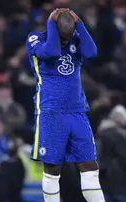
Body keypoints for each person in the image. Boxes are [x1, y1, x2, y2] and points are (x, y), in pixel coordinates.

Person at [25, 8, 104, 202]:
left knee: (90, 168)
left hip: (77, 110)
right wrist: (53, 23)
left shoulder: (76, 38)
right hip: (51, 111)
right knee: (52, 169)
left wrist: (80, 24)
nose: (66, 43)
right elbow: (51, 51)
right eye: (64, 38)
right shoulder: (36, 39)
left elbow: (92, 52)